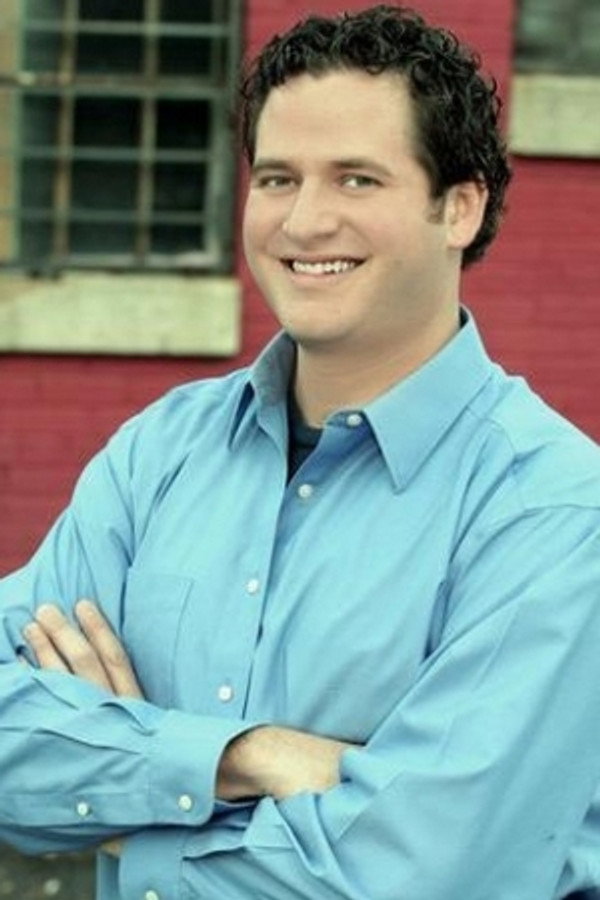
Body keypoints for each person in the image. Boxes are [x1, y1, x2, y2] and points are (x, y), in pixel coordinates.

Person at [1, 5, 599, 899]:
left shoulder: (552, 516)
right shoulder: (162, 452)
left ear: (459, 208)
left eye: (357, 179)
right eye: (278, 178)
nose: (305, 221)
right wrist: (244, 758)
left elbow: (423, 877)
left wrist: (132, 811)